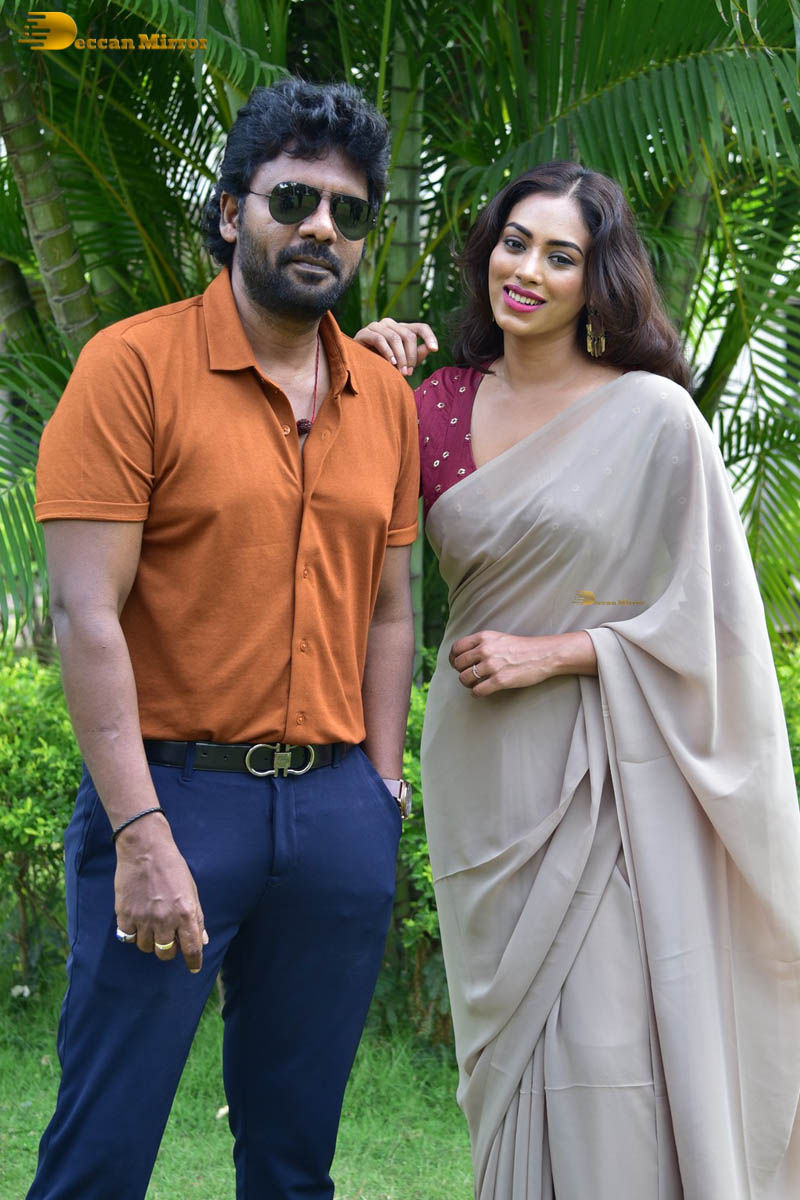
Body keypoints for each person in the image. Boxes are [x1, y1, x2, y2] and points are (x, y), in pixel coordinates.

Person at [356, 161, 800, 1199]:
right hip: (482, 771)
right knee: (508, 1058)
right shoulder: (435, 407)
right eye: (515, 243)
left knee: (608, 1044)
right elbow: (322, 508)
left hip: (613, 766)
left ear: (596, 279)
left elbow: (713, 619)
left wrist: (561, 652)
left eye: (561, 256)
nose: (528, 271)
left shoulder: (652, 417)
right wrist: (355, 371)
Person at [30, 78, 418, 1200]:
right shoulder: (131, 368)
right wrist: (140, 832)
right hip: (172, 800)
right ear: (230, 209)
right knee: (101, 1155)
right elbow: (85, 614)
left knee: (294, 1164)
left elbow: (392, 609)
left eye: (348, 212)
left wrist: (381, 789)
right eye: (293, 199)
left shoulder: (382, 399)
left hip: (337, 809)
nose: (321, 228)